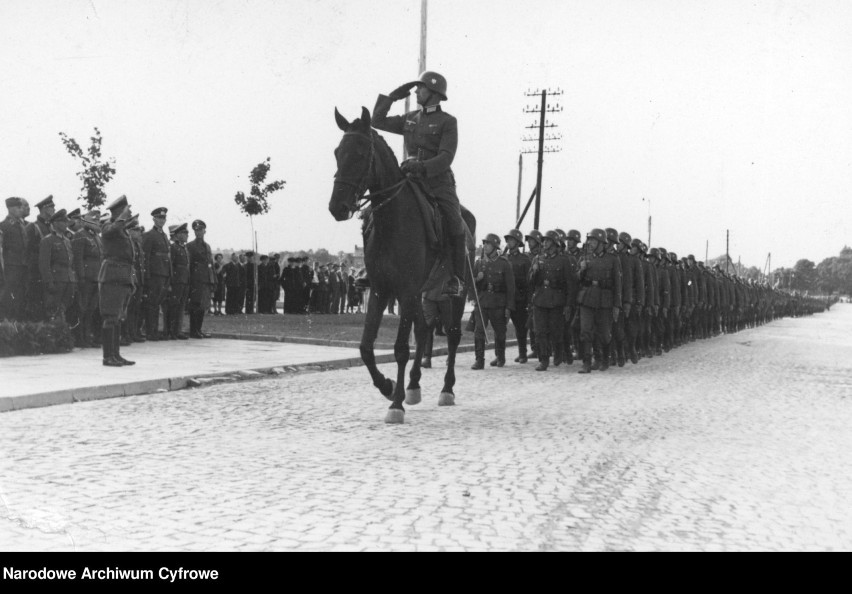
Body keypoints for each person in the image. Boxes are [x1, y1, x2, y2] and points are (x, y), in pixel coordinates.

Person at [372, 70, 466, 297]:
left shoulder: (447, 121)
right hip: (410, 179)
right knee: (374, 211)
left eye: (420, 88)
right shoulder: (411, 118)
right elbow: (376, 121)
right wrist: (392, 97)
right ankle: (374, 267)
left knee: (455, 223)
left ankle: (456, 278)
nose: (415, 92)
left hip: (438, 181)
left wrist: (423, 167)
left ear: (433, 93)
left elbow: (446, 156)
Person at [529, 230, 577, 371]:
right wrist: (535, 271)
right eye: (544, 241)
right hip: (540, 299)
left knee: (556, 331)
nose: (545, 243)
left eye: (548, 241)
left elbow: (570, 284)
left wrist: (568, 304)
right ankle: (543, 359)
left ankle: (558, 352)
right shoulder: (537, 259)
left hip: (557, 300)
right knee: (540, 331)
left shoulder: (563, 261)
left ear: (555, 244)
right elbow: (530, 282)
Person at [576, 228, 622, 374]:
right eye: (589, 240)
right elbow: (577, 279)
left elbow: (618, 284)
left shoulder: (613, 259)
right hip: (588, 297)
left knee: (603, 333)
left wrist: (616, 305)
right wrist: (581, 270)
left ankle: (604, 359)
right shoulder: (585, 258)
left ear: (601, 242)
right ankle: (587, 362)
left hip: (604, 300)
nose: (590, 243)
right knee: (585, 330)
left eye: (593, 240)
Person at [98, 195, 136, 366]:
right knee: (111, 316)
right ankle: (108, 356)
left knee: (119, 316)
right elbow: (108, 231)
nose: (129, 214)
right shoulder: (108, 226)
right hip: (112, 275)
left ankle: (116, 354)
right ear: (119, 212)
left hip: (122, 275)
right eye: (126, 210)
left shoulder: (122, 229)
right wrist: (121, 218)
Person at [470, 233, 515, 369]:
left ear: (495, 247)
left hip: (498, 303)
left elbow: (510, 287)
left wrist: (508, 307)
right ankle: (479, 360)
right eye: (484, 244)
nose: (485, 246)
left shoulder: (504, 264)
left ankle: (500, 357)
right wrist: (477, 279)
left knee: (500, 332)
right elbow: (471, 284)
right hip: (483, 302)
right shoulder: (479, 263)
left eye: (488, 244)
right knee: (479, 331)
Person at [72, 209, 103, 347]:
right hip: (86, 278)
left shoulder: (96, 237)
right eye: (94, 220)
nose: (97, 223)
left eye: (98, 220)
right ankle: (80, 338)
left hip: (96, 277)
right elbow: (78, 258)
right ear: (87, 221)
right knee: (82, 308)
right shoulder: (80, 235)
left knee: (91, 309)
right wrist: (81, 276)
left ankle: (87, 336)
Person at [39, 209, 76, 323]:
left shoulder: (66, 240)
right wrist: (49, 281)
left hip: (68, 279)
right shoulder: (48, 240)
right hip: (56, 280)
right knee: (53, 310)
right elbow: (44, 263)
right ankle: (54, 336)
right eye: (63, 222)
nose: (66, 224)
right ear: (55, 223)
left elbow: (71, 262)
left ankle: (62, 334)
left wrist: (74, 280)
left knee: (64, 309)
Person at [141, 207, 172, 340]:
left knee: (157, 303)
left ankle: (154, 331)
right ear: (154, 219)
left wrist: (169, 274)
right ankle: (150, 332)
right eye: (159, 218)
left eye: (163, 218)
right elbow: (146, 257)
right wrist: (147, 276)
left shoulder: (164, 235)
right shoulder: (149, 235)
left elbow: (167, 257)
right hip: (154, 274)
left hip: (163, 273)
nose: (162, 220)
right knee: (152, 304)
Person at [24, 195, 55, 320]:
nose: (54, 209)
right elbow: (26, 250)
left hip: (50, 270)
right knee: (36, 302)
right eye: (52, 207)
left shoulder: (51, 227)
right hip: (36, 271)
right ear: (45, 209)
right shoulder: (33, 227)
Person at [0, 197, 30, 321]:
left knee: (21, 296)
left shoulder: (23, 225)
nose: (21, 209)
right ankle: (6, 323)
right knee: (8, 295)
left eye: (21, 207)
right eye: (18, 207)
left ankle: (18, 325)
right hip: (10, 265)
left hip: (23, 265)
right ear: (10, 208)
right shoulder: (4, 225)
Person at [187, 219, 216, 338]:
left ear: (205, 231)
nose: (198, 232)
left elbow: (211, 264)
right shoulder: (190, 246)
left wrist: (213, 281)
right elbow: (189, 264)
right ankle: (193, 331)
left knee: (203, 306)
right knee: (195, 306)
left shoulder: (207, 246)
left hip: (206, 280)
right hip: (196, 280)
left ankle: (199, 329)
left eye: (201, 230)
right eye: (196, 230)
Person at [166, 223, 190, 339]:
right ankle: (171, 331)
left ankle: (177, 330)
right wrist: (170, 282)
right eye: (184, 233)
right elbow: (171, 266)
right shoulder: (174, 248)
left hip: (184, 281)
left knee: (181, 307)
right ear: (178, 235)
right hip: (176, 281)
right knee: (174, 307)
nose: (187, 235)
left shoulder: (183, 248)